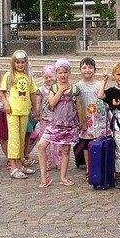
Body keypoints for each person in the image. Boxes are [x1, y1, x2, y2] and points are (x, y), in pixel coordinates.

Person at [36, 58, 83, 188]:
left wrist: (80, 122)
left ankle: (63, 177)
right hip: (55, 124)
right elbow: (51, 104)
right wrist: (61, 90)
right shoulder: (54, 88)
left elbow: (79, 107)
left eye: (65, 72)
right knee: (41, 145)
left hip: (69, 124)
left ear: (69, 73)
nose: (63, 75)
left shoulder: (75, 89)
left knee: (65, 151)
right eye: (60, 73)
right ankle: (44, 176)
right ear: (56, 74)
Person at [0, 50, 38, 180]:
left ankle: (20, 164)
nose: (20, 65)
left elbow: (32, 93)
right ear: (13, 63)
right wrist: (6, 104)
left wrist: (35, 109)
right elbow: (2, 92)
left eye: (23, 62)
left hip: (24, 110)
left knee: (22, 138)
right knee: (14, 138)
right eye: (18, 62)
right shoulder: (9, 75)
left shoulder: (28, 76)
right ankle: (13, 167)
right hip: (13, 110)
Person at [75, 57, 108, 181]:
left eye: (90, 67)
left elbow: (105, 102)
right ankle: (89, 167)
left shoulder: (99, 84)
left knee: (100, 142)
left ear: (94, 69)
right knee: (87, 145)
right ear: (80, 70)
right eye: (84, 67)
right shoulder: (78, 86)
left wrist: (108, 118)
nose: (87, 70)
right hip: (86, 119)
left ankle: (99, 165)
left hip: (99, 118)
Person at [37, 65, 58, 170]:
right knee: (45, 141)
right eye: (46, 77)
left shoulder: (58, 88)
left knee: (58, 141)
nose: (49, 79)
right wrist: (37, 114)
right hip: (45, 118)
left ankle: (58, 161)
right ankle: (47, 162)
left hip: (57, 119)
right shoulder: (41, 90)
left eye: (51, 76)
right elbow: (38, 104)